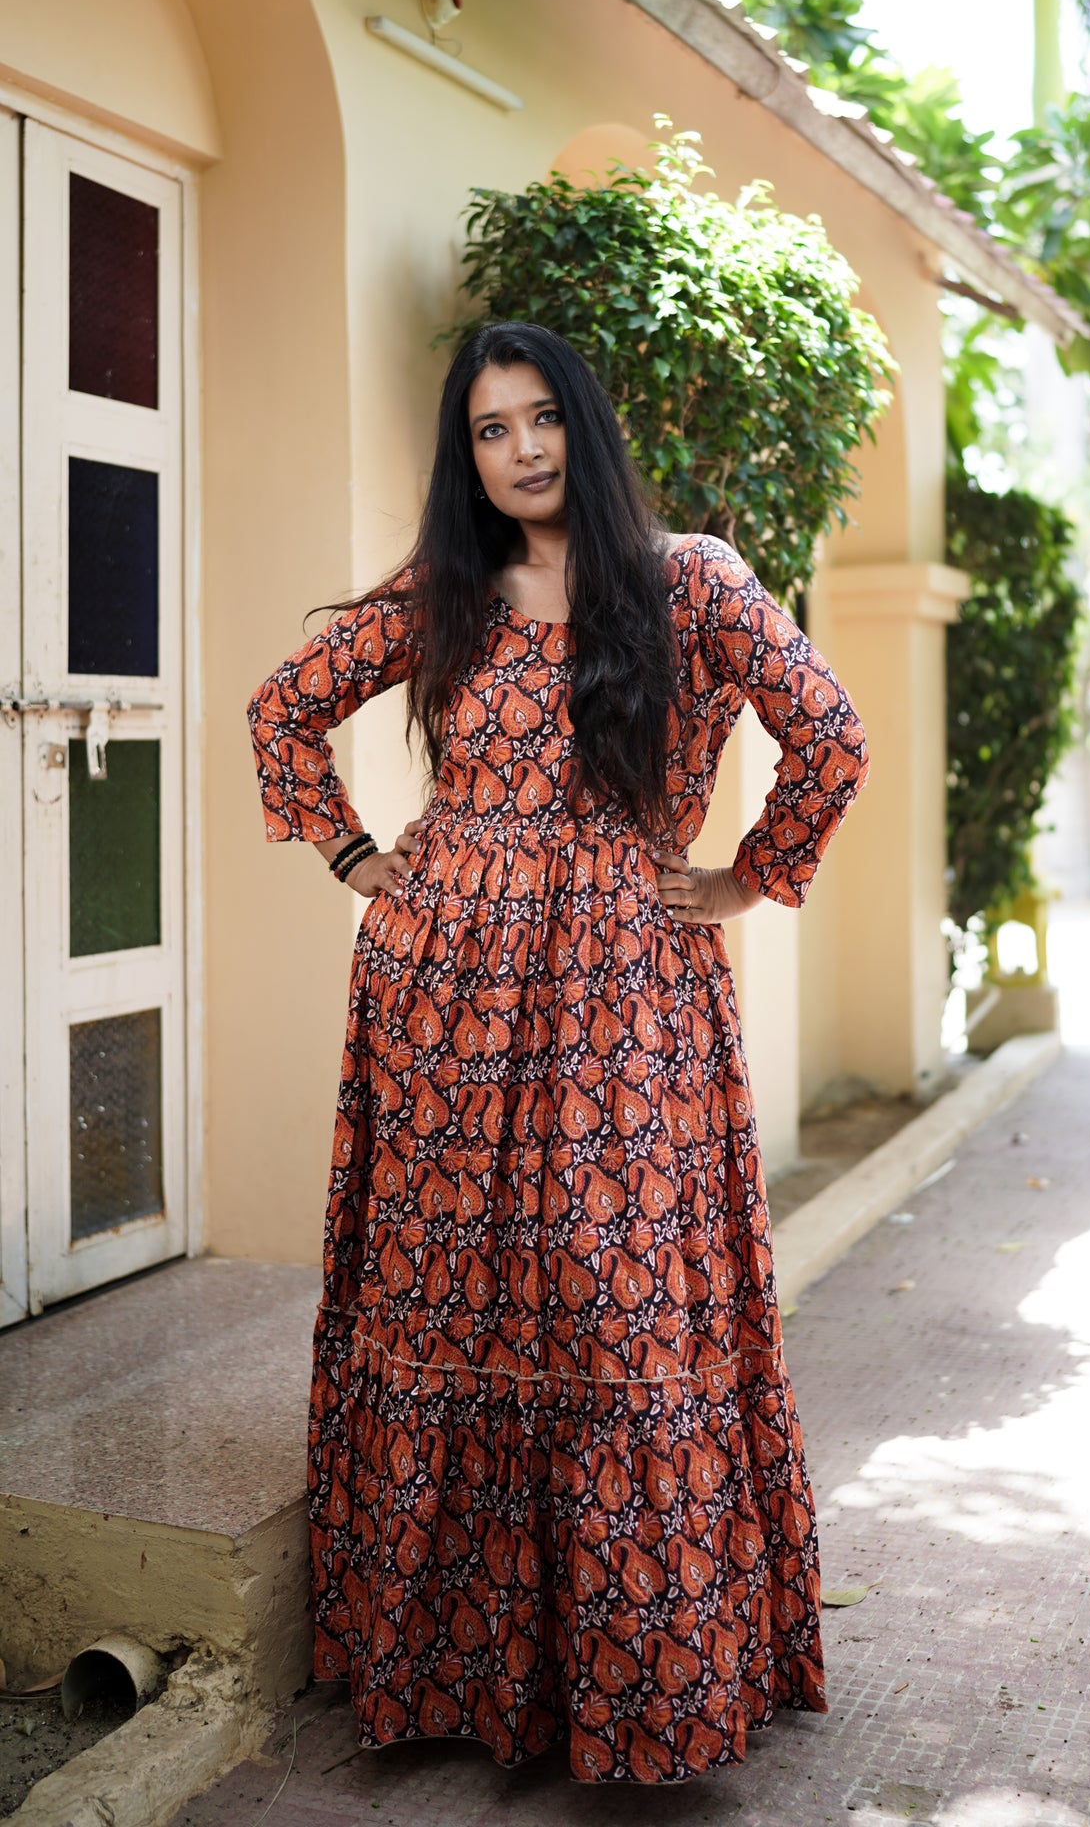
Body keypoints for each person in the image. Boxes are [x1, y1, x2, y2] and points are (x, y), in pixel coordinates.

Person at [247, 319, 868, 1783]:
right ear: (464, 454)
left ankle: (644, 1689)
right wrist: (353, 860)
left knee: (613, 1312)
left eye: (539, 421)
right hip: (443, 1002)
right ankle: (458, 1684)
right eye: (487, 429)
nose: (518, 451)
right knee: (448, 1302)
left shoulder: (693, 579)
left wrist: (742, 879)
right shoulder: (446, 593)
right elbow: (284, 709)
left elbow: (828, 734)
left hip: (623, 1007)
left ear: (582, 429)